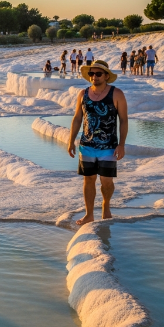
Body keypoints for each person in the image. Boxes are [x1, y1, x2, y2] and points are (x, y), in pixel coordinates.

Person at [67, 60, 128, 226]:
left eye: (98, 73)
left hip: (108, 147)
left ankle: (106, 207)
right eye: (91, 73)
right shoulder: (83, 94)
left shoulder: (117, 94)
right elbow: (77, 118)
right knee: (88, 180)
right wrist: (71, 140)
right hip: (87, 145)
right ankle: (88, 214)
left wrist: (121, 144)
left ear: (106, 76)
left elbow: (123, 120)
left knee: (107, 181)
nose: (94, 76)